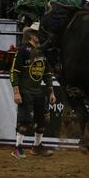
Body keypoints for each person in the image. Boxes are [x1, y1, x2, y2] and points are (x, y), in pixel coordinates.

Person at [10, 22, 56, 158]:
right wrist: (16, 91)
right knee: (25, 120)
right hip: (25, 90)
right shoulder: (23, 50)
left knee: (42, 120)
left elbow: (47, 73)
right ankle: (17, 148)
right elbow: (14, 71)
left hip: (37, 91)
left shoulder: (42, 51)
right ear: (31, 35)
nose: (39, 36)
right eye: (37, 33)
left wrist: (51, 91)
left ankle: (37, 146)